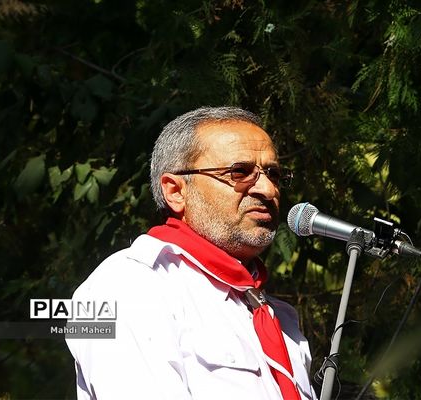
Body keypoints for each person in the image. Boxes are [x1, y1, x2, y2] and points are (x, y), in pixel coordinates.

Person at [66, 106, 316, 399]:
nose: (268, 189)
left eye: (273, 174)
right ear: (176, 191)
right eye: (239, 172)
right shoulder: (124, 286)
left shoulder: (279, 317)